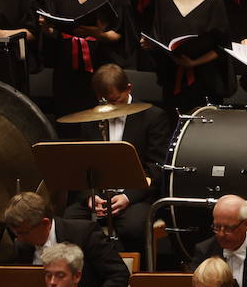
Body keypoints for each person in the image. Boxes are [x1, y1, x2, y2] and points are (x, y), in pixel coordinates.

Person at [58, 64, 170, 260]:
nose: (109, 107)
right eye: (104, 101)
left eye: (115, 100)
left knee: (133, 228)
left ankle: (132, 278)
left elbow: (156, 169)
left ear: (128, 88)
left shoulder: (153, 117)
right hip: (99, 195)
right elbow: (81, 166)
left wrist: (127, 197)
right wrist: (90, 197)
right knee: (68, 221)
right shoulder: (90, 119)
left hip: (136, 197)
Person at [41, 0, 135, 119]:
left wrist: (96, 33)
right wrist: (46, 26)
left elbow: (120, 35)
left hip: (100, 65)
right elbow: (54, 31)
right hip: (66, 67)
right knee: (67, 121)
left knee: (100, 121)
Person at [5, 192, 135, 287]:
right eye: (16, 234)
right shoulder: (23, 246)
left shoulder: (85, 233)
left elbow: (118, 275)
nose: (19, 239)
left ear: (45, 223)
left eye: (22, 233)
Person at [147, 0, 232, 110]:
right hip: (172, 80)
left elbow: (222, 47)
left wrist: (194, 63)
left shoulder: (214, 1)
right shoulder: (164, 0)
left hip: (205, 81)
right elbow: (159, 37)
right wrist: (150, 45)